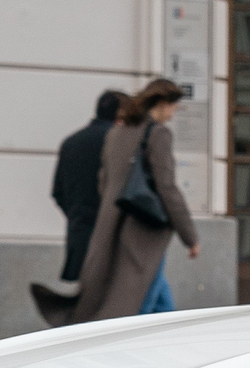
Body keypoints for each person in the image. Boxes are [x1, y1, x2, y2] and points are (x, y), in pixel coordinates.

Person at [30, 79, 199, 326]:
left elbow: (102, 183)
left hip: (110, 227)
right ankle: (144, 349)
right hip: (145, 229)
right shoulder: (158, 134)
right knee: (139, 301)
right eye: (173, 108)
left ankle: (167, 343)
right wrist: (190, 237)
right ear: (162, 104)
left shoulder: (116, 134)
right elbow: (167, 187)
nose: (173, 115)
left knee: (154, 295)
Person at [51, 89, 126, 283]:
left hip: (80, 231)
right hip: (113, 235)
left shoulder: (71, 142)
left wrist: (77, 214)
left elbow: (58, 192)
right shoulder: (119, 142)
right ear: (121, 115)